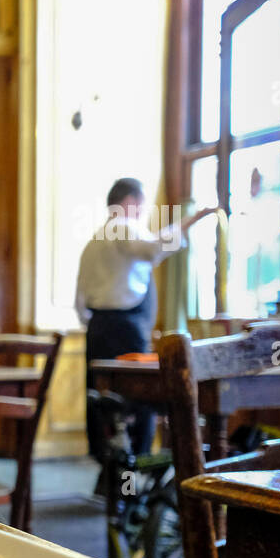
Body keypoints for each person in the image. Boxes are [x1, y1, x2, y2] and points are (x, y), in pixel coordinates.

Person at [76, 177, 216, 458]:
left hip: (98, 328)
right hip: (124, 329)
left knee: (102, 397)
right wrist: (191, 220)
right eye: (140, 208)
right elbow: (153, 249)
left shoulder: (94, 240)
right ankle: (135, 468)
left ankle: (110, 470)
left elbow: (80, 300)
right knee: (136, 398)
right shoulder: (122, 227)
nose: (141, 214)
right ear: (131, 202)